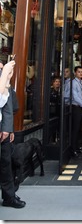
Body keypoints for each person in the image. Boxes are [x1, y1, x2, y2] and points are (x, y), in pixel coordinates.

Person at [0, 60, 26, 208]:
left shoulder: (5, 82)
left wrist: (7, 128)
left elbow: (9, 107)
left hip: (3, 128)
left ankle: (9, 196)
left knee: (6, 164)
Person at [65, 66, 82, 157]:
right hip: (75, 107)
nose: (81, 74)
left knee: (79, 129)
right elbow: (75, 97)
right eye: (79, 72)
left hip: (81, 107)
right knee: (74, 129)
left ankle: (77, 147)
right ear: (75, 73)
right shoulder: (72, 83)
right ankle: (73, 149)